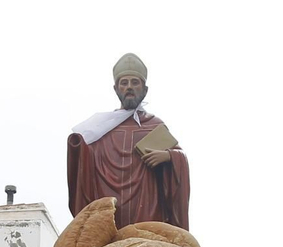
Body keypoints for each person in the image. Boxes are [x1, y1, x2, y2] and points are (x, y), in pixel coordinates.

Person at [67, 53, 191, 229]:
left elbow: (179, 160)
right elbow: (87, 168)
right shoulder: (102, 127)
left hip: (148, 208)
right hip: (111, 210)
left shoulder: (154, 125)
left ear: (144, 89)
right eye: (124, 83)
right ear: (116, 89)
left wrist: (169, 157)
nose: (129, 87)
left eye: (135, 82)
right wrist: (77, 148)